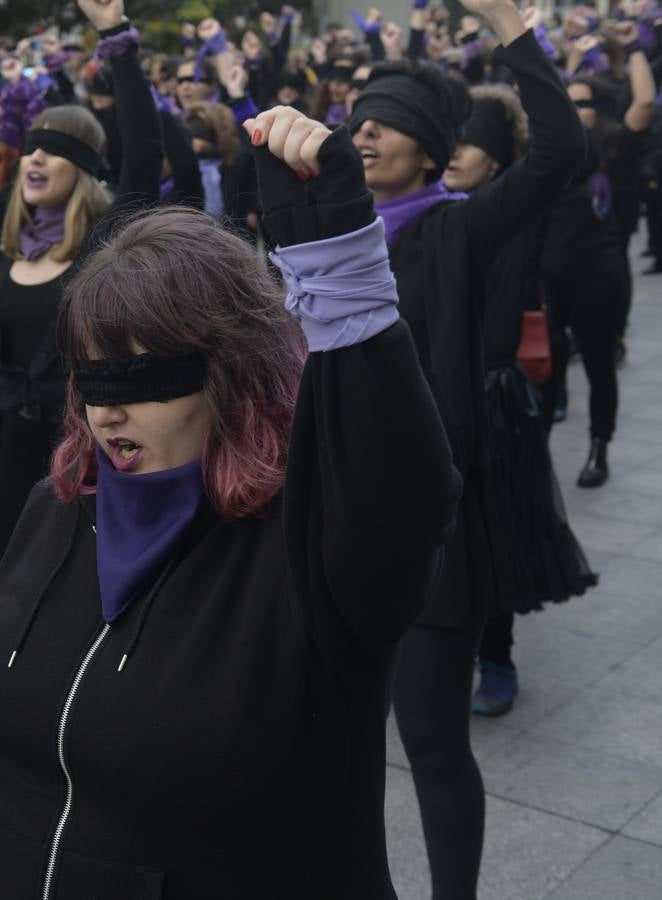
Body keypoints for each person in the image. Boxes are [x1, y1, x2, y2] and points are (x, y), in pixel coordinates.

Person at [0, 78, 461, 900]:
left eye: (146, 377)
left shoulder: (312, 554)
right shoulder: (56, 511)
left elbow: (406, 500)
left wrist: (342, 273)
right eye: (91, 378)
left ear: (235, 376)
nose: (109, 410)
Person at [347, 0, 584, 895]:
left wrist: (514, 33)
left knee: (434, 745)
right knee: (331, 741)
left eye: (388, 121)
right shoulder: (327, 231)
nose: (364, 130)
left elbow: (564, 156)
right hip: (333, 516)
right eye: (357, 116)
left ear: (433, 149)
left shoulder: (460, 227)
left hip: (431, 527)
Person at [0, 7, 162, 569]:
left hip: (85, 460)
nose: (35, 158)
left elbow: (144, 155)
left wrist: (116, 39)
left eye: (51, 150)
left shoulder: (103, 247)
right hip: (13, 461)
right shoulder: (8, 258)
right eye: (30, 147)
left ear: (80, 170)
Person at [443, 85, 598, 715]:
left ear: (501, 157)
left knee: (495, 533)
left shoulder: (517, 209)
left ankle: (496, 656)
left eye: (470, 139)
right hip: (427, 393)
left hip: (497, 398)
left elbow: (564, 149)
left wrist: (510, 30)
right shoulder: (421, 211)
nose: (454, 151)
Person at [540, 32, 656, 487]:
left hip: (597, 276)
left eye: (583, 103)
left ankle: (598, 447)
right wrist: (565, 58)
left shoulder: (613, 146)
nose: (574, 109)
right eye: (569, 102)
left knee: (597, 365)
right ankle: (548, 431)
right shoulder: (550, 151)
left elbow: (644, 103)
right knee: (547, 366)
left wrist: (636, 47)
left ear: (601, 110)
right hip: (548, 276)